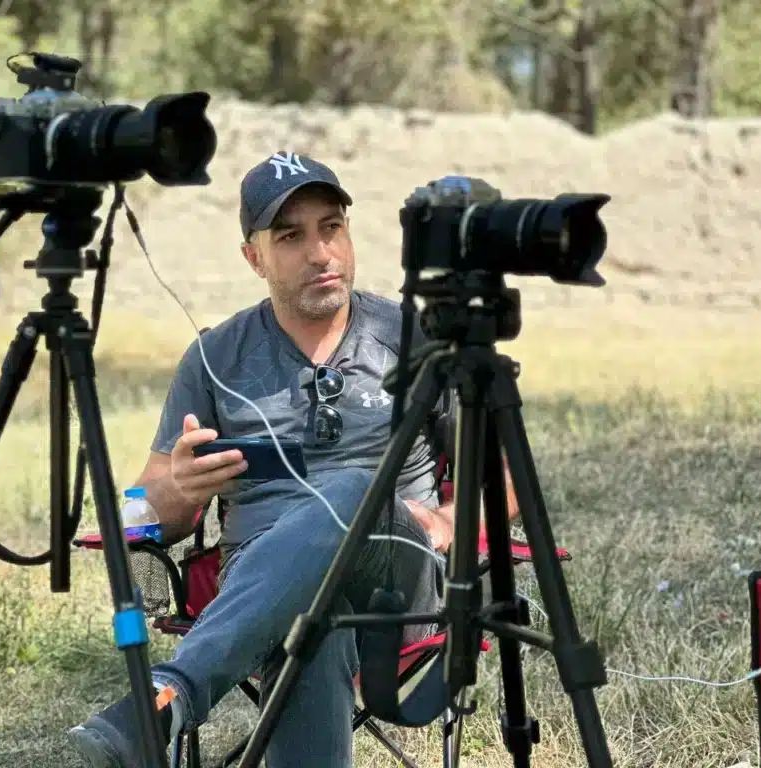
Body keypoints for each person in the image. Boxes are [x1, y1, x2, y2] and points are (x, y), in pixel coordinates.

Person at [67, 151, 520, 768]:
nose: (320, 253)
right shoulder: (214, 359)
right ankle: (170, 697)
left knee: (354, 489)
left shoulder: (414, 337)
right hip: (267, 590)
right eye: (290, 236)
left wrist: (448, 520)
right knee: (312, 622)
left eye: (331, 227)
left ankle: (170, 694)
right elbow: (151, 510)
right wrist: (178, 484)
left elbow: (504, 478)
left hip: (398, 584)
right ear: (254, 257)